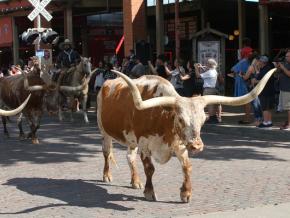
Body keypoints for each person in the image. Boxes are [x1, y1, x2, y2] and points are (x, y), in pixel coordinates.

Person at [252, 56, 275, 128]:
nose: (257, 62)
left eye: (259, 61)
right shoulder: (266, 68)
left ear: (262, 62)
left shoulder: (265, 69)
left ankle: (265, 122)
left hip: (265, 91)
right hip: (269, 91)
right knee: (268, 107)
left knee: (265, 107)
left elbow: (265, 80)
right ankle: (269, 121)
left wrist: (256, 81)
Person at [195, 58, 219, 123]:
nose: (205, 64)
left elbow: (198, 76)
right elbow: (206, 72)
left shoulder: (209, 72)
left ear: (210, 64)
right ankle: (214, 118)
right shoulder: (214, 71)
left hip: (208, 89)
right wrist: (201, 67)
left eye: (206, 63)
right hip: (213, 89)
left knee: (210, 105)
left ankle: (211, 118)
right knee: (213, 104)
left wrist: (196, 68)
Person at [274, 50, 290, 130]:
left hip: (288, 89)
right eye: (286, 56)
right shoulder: (286, 63)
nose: (286, 58)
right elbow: (278, 73)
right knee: (287, 108)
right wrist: (278, 67)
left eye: (287, 56)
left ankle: (289, 124)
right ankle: (288, 122)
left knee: (289, 107)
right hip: (284, 88)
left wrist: (282, 67)